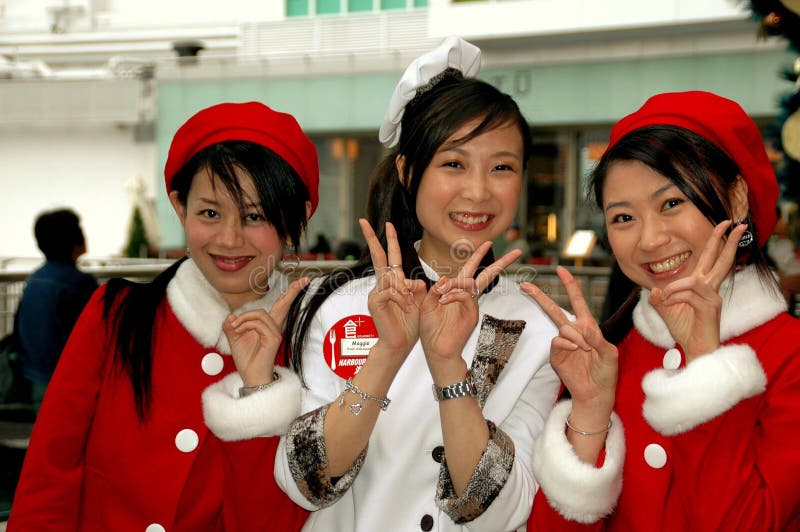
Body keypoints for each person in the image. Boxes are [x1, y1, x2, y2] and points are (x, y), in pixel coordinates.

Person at [267, 36, 560, 531]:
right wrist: (388, 351)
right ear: (407, 172)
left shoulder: (546, 330)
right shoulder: (341, 306)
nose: (479, 191)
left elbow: (502, 514)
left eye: (502, 167)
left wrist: (448, 368)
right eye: (454, 163)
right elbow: (305, 483)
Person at [8, 101, 318, 531]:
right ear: (179, 206)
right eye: (210, 212)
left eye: (255, 216)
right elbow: (48, 478)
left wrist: (261, 393)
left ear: (296, 218)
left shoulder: (315, 343)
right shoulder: (113, 317)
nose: (229, 239)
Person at [523, 91, 800, 530]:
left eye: (671, 203)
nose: (649, 240)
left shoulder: (789, 354)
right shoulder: (611, 355)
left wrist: (706, 366)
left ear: (738, 198)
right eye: (623, 218)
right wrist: (590, 411)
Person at [16, 208, 98, 411]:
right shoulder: (79, 283)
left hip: (36, 375)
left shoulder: (34, 279)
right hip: (68, 381)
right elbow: (94, 335)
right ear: (72, 238)